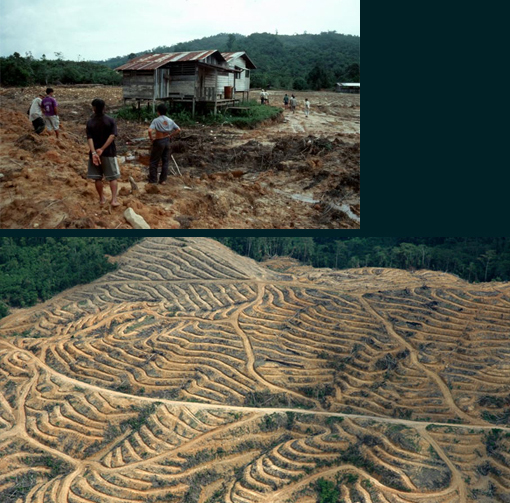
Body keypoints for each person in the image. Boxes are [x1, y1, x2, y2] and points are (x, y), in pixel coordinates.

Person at [86, 98, 120, 207]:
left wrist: (94, 153)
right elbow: (112, 136)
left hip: (95, 154)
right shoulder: (110, 120)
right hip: (108, 152)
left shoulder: (90, 122)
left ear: (94, 108)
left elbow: (89, 138)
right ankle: (114, 200)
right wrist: (103, 149)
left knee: (97, 178)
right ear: (104, 107)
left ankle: (101, 199)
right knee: (112, 177)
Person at [148, 103, 181, 184]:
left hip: (159, 141)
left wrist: (152, 139)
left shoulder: (156, 120)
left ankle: (153, 180)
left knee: (153, 161)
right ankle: (163, 180)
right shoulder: (170, 120)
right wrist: (170, 135)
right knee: (165, 161)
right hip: (167, 141)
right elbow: (178, 129)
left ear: (158, 112)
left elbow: (149, 130)